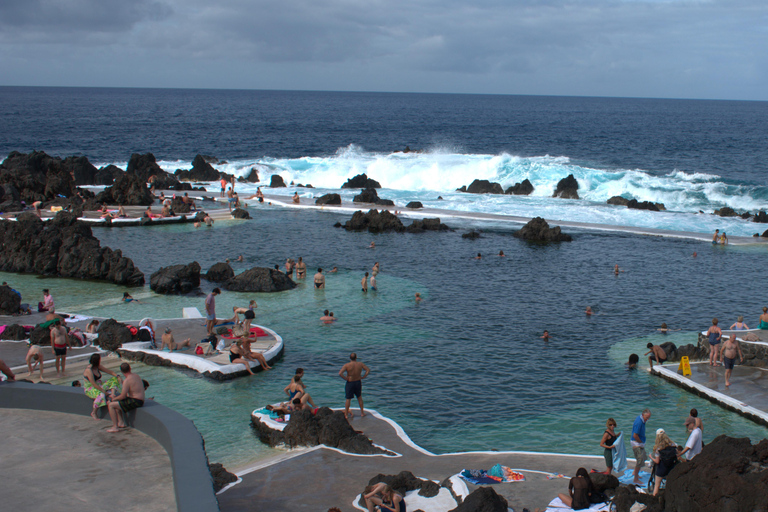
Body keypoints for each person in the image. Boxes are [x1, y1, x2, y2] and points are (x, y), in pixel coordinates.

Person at [106, 363, 145, 433]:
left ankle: (115, 427)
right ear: (130, 369)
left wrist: (112, 399)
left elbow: (123, 396)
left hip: (136, 401)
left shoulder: (127, 381)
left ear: (121, 371)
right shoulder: (136, 376)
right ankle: (121, 422)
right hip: (140, 400)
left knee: (111, 405)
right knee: (117, 404)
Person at [83, 353, 121, 420]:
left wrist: (117, 376)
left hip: (99, 385)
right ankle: (94, 412)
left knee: (114, 380)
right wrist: (103, 391)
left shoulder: (98, 367)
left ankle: (113, 394)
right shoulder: (89, 370)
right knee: (101, 394)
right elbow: (93, 384)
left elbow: (109, 371)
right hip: (91, 388)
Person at [339, 353, 370, 419]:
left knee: (348, 398)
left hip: (350, 382)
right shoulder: (360, 364)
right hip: (358, 382)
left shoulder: (347, 365)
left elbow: (340, 373)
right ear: (356, 357)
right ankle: (362, 413)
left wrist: (345, 378)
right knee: (359, 397)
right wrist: (364, 376)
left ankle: (346, 414)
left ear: (350, 358)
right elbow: (368, 370)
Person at [649, 430, 678, 496]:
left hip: (662, 468)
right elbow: (676, 454)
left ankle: (654, 500)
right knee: (668, 485)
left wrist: (651, 457)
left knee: (657, 486)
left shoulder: (658, 448)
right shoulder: (674, 445)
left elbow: (657, 461)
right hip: (671, 467)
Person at [631, 409, 651, 485]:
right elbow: (635, 435)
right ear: (643, 415)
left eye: (648, 417)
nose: (647, 419)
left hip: (640, 442)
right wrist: (641, 442)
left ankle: (634, 472)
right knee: (640, 460)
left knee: (642, 458)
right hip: (636, 443)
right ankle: (635, 479)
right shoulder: (639, 422)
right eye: (646, 417)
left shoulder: (642, 420)